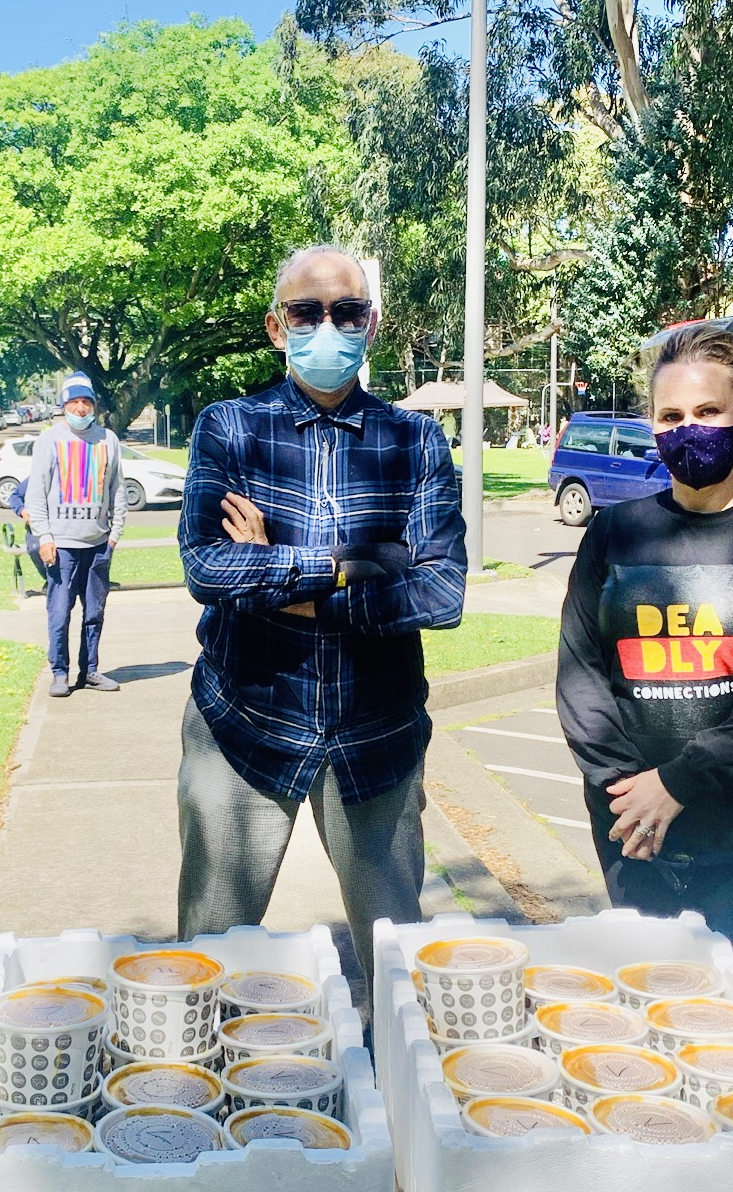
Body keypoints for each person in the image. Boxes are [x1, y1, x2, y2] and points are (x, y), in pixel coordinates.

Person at [176, 245, 467, 998]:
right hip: (244, 724)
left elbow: (440, 593)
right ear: (277, 327)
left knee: (396, 972)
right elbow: (207, 570)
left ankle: (398, 1108)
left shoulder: (416, 441)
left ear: (372, 323)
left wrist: (275, 575)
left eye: (347, 311)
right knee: (204, 965)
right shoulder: (229, 428)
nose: (327, 326)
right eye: (307, 312)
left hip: (377, 736)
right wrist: (356, 564)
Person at [556, 324, 733, 978]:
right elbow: (580, 678)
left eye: (708, 411)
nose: (689, 428)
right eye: (671, 416)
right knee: (644, 1009)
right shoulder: (613, 532)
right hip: (633, 833)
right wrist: (627, 795)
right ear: (652, 425)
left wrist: (676, 783)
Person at [25, 372, 127, 697]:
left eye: (86, 402)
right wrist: (44, 536)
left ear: (94, 405)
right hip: (61, 546)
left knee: (94, 611)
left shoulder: (108, 440)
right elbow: (36, 495)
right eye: (74, 402)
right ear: (64, 405)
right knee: (59, 612)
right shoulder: (49, 440)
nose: (80, 408)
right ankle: (59, 673)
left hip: (98, 544)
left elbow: (118, 490)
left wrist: (113, 537)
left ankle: (91, 670)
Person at [7, 476, 49, 592]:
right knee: (35, 548)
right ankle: (49, 579)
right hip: (36, 528)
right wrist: (22, 511)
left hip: (59, 528)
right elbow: (15, 497)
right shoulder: (35, 478)